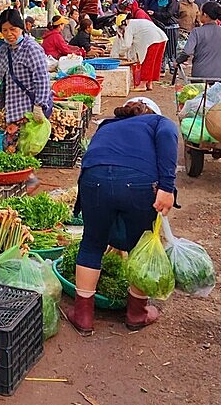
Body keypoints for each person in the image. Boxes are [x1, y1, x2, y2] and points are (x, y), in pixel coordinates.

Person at [65, 97, 177, 335]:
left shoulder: (107, 125)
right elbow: (168, 131)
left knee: (92, 243)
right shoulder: (158, 122)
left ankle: (84, 317)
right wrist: (167, 186)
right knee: (140, 246)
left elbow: (97, 161)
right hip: (137, 182)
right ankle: (136, 313)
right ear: (151, 112)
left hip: (93, 180)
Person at [0, 9, 52, 147]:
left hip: (28, 111)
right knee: (11, 149)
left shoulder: (32, 49)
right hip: (10, 108)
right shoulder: (4, 49)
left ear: (21, 28)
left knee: (26, 147)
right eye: (4, 30)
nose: (9, 34)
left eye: (13, 29)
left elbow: (42, 79)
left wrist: (39, 106)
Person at [179, 2, 221, 80]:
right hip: (220, 76)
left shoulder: (197, 32)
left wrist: (177, 62)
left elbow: (187, 52)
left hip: (199, 75)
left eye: (200, 12)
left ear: (205, 15)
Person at [111, 13, 168, 91]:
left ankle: (142, 84)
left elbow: (127, 45)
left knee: (147, 61)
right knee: (155, 62)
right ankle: (149, 83)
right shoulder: (135, 22)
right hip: (161, 38)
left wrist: (120, 53)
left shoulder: (129, 27)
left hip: (152, 40)